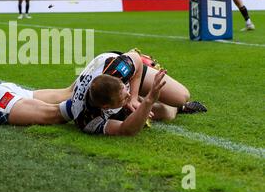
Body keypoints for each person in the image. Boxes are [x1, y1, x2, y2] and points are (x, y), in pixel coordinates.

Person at [57, 50, 207, 136]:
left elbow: (135, 57)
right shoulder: (89, 121)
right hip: (112, 101)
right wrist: (148, 102)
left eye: (125, 90)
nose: (127, 95)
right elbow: (127, 130)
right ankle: (180, 108)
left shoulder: (115, 71)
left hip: (127, 69)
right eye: (124, 97)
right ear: (106, 106)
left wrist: (133, 98)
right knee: (166, 113)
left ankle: (146, 69)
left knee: (182, 96)